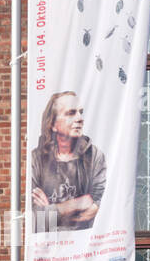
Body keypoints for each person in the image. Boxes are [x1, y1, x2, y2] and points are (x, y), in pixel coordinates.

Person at [29, 90, 107, 232]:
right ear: (52, 124)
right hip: (48, 249)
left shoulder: (95, 157)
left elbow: (105, 209)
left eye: (80, 112)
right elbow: (34, 220)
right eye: (71, 113)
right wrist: (74, 205)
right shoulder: (36, 160)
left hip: (85, 249)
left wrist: (50, 211)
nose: (80, 118)